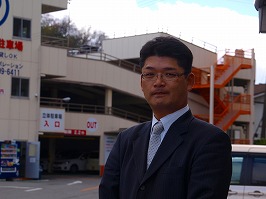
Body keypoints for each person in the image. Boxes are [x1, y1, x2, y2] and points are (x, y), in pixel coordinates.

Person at [99, 36, 232, 199]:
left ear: (189, 82)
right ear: (141, 82)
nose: (158, 82)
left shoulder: (210, 141)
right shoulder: (126, 140)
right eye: (149, 74)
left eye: (169, 74)